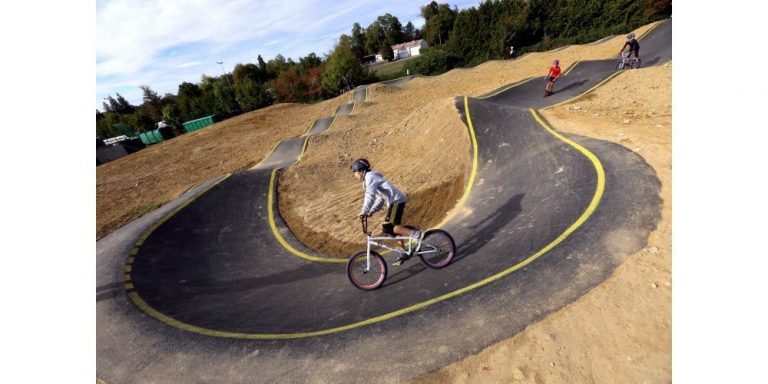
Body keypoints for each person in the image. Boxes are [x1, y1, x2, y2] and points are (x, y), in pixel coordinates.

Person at [350, 158, 423, 266]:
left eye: (355, 173)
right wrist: (371, 211)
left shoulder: (370, 177)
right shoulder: (371, 178)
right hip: (394, 202)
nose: (355, 175)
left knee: (388, 227)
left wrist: (364, 211)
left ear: (360, 171)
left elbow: (370, 195)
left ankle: (416, 234)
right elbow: (380, 198)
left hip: (396, 201)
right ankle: (403, 251)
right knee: (392, 230)